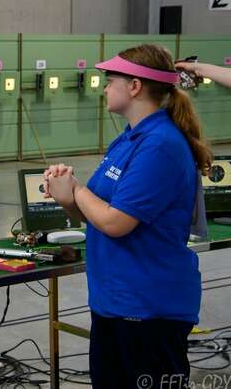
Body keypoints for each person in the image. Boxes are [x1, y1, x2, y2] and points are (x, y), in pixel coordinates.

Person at [44, 44, 212, 389]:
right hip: (115, 301)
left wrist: (76, 189)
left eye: (111, 79)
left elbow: (116, 222)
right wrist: (66, 197)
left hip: (149, 308)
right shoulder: (129, 139)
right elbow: (96, 213)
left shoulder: (160, 144)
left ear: (134, 86)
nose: (105, 87)